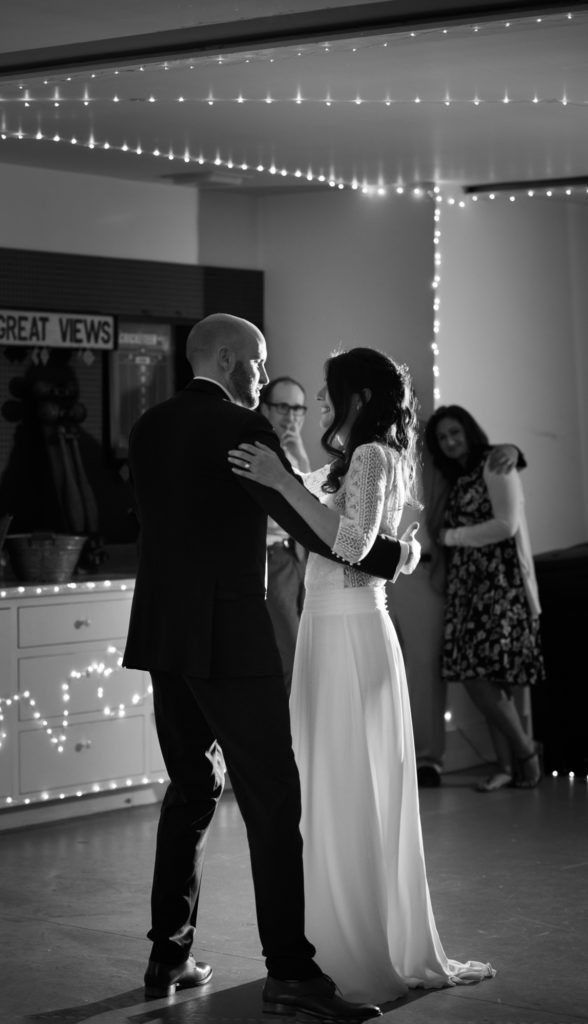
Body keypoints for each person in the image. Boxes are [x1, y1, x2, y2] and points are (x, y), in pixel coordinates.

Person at [123, 314, 420, 1021]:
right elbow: (321, 534)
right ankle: (292, 972)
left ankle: (168, 954)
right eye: (256, 364)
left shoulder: (149, 427)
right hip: (228, 639)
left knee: (191, 789)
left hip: (163, 634)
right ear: (228, 361)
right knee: (272, 801)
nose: (264, 376)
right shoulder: (239, 430)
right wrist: (398, 556)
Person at [229, 347, 495, 1005]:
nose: (319, 404)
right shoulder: (342, 463)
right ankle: (326, 937)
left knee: (354, 784)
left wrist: (290, 485)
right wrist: (287, 472)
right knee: (325, 786)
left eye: (327, 393)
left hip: (352, 632)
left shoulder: (376, 456)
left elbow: (348, 544)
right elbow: (327, 527)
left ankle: (361, 946)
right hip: (323, 629)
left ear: (356, 398)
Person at [424, 405, 544, 793]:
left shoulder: (496, 463)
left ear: (469, 431)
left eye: (455, 432)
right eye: (442, 438)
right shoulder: (455, 478)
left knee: (484, 678)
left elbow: (506, 525)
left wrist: (451, 538)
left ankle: (526, 753)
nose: (449, 442)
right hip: (467, 587)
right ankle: (508, 766)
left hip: (497, 585)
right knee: (487, 680)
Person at [394, 435, 524, 790]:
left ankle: (426, 760)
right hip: (369, 568)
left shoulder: (431, 448)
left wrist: (513, 450)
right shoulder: (355, 440)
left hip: (428, 570)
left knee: (424, 665)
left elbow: (474, 456)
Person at [259, 376, 311, 695]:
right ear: (265, 408)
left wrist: (302, 460)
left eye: (298, 408)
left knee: (303, 654)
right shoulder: (259, 451)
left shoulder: (294, 453)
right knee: (289, 657)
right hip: (271, 558)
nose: (291, 416)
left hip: (299, 558)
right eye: (283, 406)